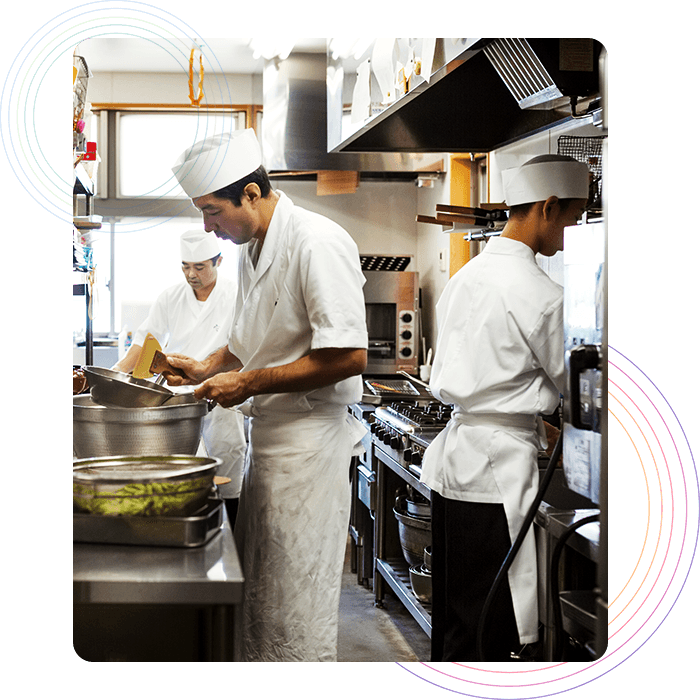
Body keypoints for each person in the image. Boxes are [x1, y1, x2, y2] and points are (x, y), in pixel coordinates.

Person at [165, 129, 368, 662]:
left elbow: (348, 357)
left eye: (211, 212)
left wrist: (249, 383)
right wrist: (200, 367)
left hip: (308, 453)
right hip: (269, 450)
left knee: (296, 605)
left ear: (251, 194)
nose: (206, 227)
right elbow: (245, 343)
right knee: (265, 598)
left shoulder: (316, 242)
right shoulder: (252, 249)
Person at [420, 154, 590, 665]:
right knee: (494, 629)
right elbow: (579, 386)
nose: (573, 232)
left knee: (456, 617)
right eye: (574, 218)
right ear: (549, 207)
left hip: (454, 466)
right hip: (497, 472)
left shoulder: (465, 278)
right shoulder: (543, 295)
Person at [113, 230, 246, 524]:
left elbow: (246, 348)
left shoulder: (237, 296)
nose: (191, 274)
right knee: (184, 478)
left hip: (222, 401)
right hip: (179, 402)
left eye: (199, 267)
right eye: (185, 266)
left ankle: (227, 546)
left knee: (228, 478)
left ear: (219, 261)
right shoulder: (170, 297)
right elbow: (147, 341)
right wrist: (115, 375)